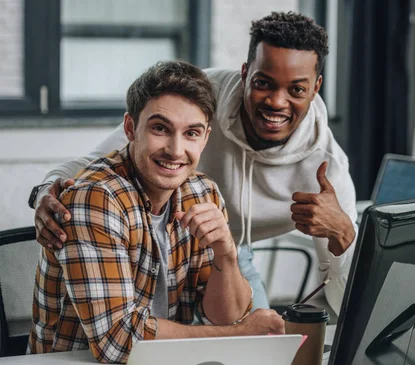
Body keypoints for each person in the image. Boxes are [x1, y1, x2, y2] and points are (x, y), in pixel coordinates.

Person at [29, 12, 357, 315]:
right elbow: (100, 160)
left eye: (296, 89)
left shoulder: (325, 168)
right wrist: (46, 191)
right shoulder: (199, 97)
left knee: (259, 341)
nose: (276, 101)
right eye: (263, 83)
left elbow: (346, 303)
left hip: (228, 250)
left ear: (315, 88)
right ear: (245, 74)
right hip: (167, 237)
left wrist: (343, 233)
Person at [28, 61, 284, 364]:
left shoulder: (203, 193)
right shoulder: (96, 197)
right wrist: (238, 334)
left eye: (191, 133)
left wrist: (226, 254)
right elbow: (118, 342)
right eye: (160, 128)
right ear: (130, 128)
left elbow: (224, 317)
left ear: (205, 138)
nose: (176, 150)